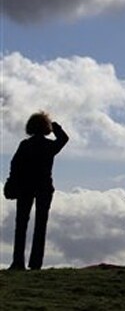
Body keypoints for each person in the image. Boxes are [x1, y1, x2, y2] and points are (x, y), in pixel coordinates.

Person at [8, 112, 69, 271]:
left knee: (20, 226)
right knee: (40, 227)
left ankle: (17, 262)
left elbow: (15, 166)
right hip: (44, 188)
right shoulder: (49, 146)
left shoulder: (25, 145)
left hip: (25, 188)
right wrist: (55, 126)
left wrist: (11, 183)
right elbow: (64, 139)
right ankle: (35, 263)